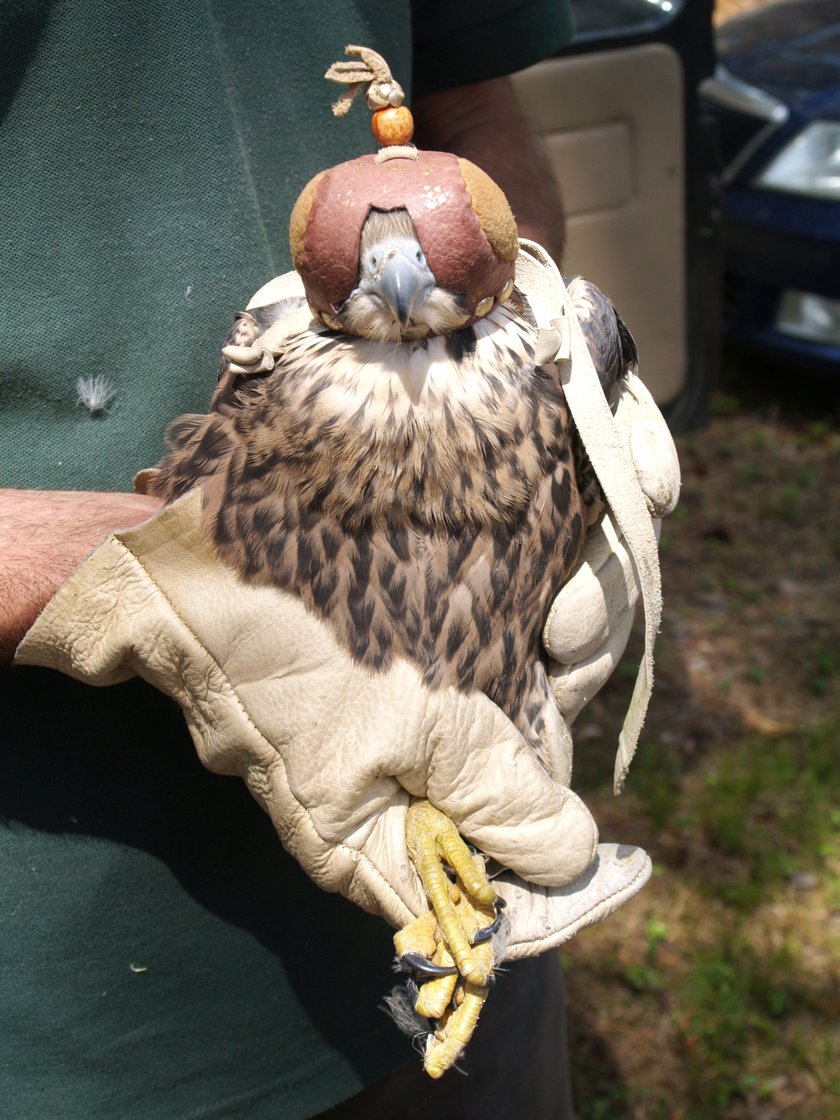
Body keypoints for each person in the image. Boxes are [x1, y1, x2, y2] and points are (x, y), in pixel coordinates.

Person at [0, 4, 584, 1117]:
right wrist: (156, 563)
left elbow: (475, 105)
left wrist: (533, 358)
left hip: (470, 892)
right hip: (69, 1021)